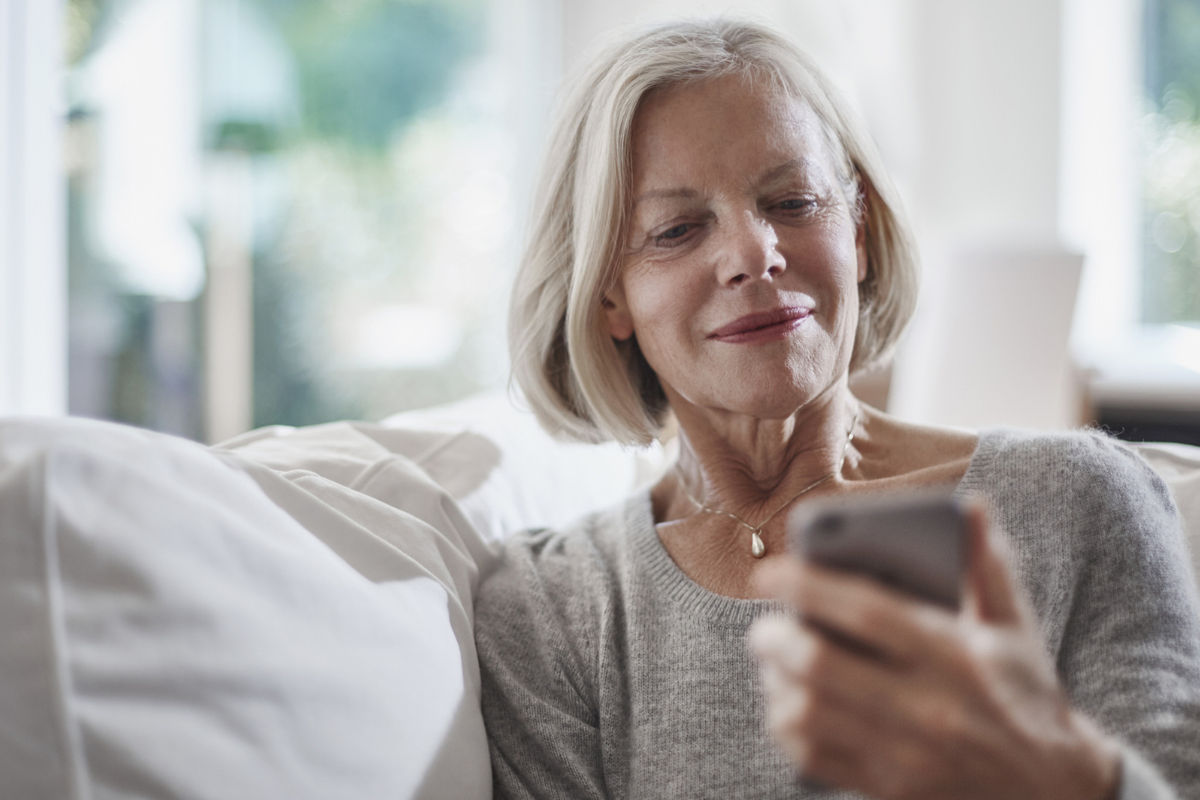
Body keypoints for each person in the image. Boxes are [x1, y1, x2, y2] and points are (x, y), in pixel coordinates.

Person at [474, 18, 1200, 800]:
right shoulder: (555, 610)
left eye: (792, 201)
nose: (754, 254)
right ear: (608, 293)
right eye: (678, 229)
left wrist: (1065, 777)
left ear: (857, 230)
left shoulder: (1079, 502)